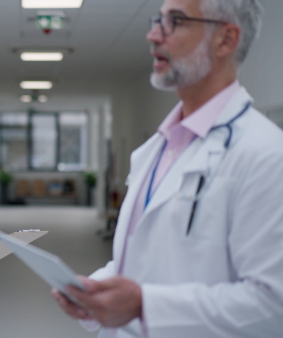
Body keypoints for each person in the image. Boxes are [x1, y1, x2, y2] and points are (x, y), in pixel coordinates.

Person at [52, 0, 283, 337]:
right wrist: (93, 291)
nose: (153, 35)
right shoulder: (157, 149)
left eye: (175, 21)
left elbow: (272, 305)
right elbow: (140, 261)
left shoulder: (265, 155)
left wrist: (146, 305)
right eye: (157, 20)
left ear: (225, 39)